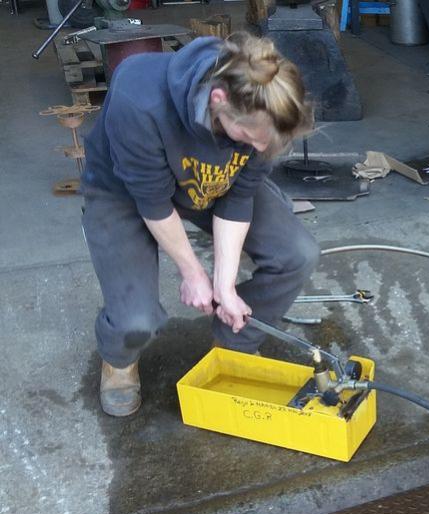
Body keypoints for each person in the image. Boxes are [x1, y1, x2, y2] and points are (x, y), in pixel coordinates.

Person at [81, 33, 317, 417]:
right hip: (124, 192)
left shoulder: (264, 109)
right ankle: (118, 360)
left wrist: (224, 285)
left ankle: (235, 345)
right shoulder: (139, 99)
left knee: (297, 254)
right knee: (135, 321)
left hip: (210, 181)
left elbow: (238, 197)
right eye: (249, 138)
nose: (259, 149)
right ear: (218, 99)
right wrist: (193, 273)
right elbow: (153, 202)